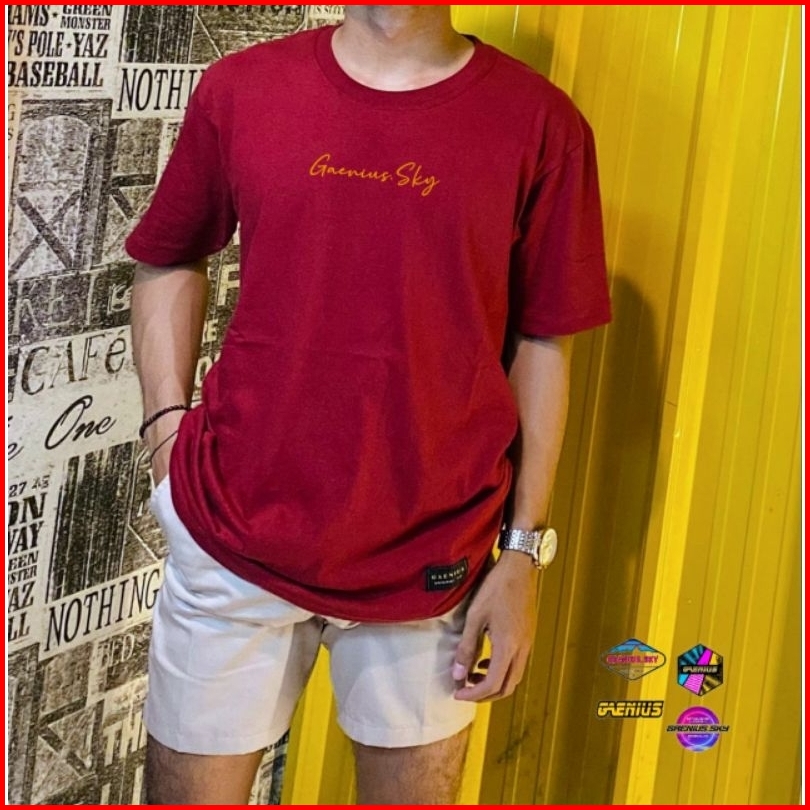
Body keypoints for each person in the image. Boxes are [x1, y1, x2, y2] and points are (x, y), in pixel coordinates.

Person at [126, 5, 611, 805]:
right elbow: (169, 254)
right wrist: (164, 437)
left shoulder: (541, 123)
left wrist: (523, 553)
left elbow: (543, 338)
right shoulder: (241, 89)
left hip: (434, 558)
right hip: (230, 537)